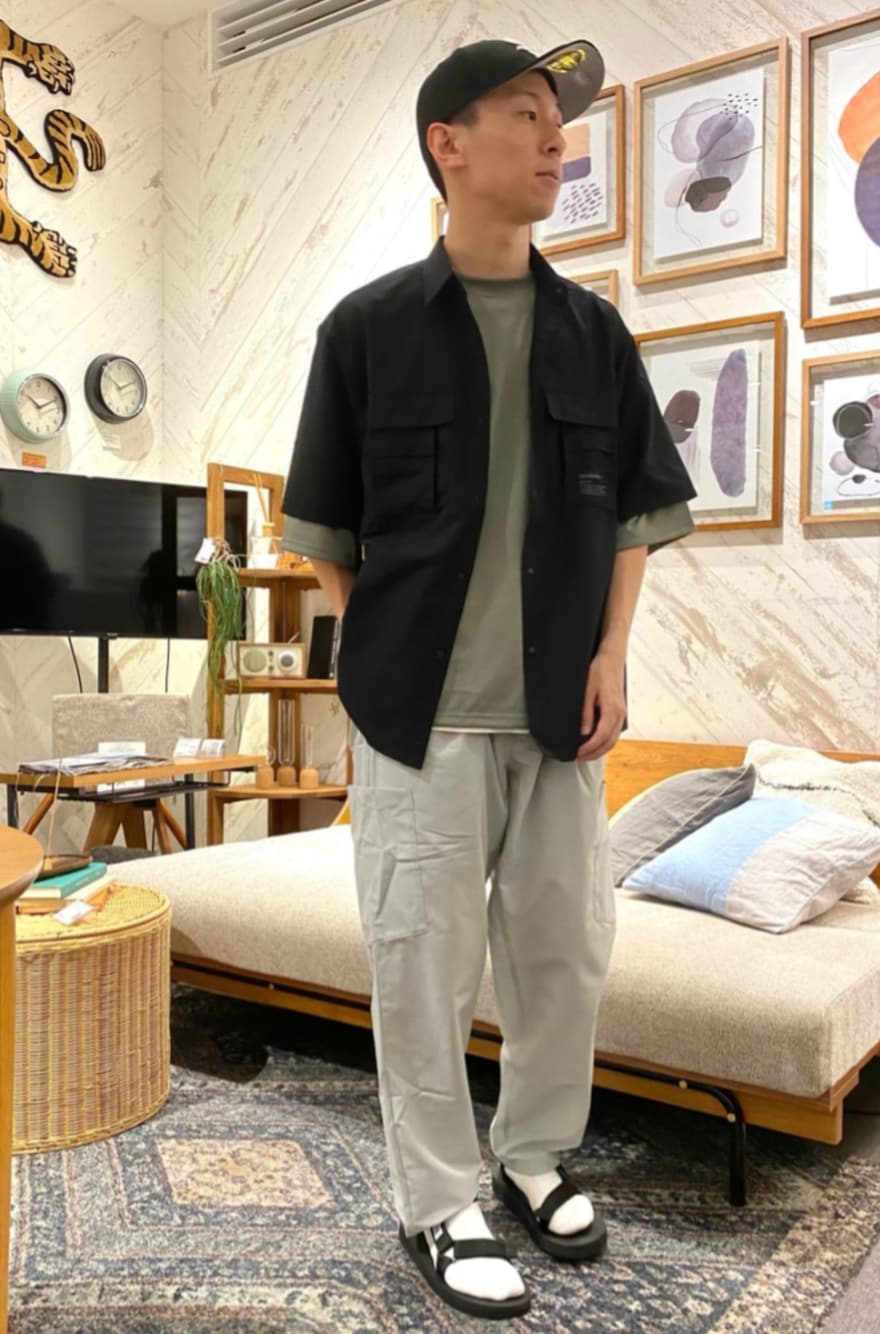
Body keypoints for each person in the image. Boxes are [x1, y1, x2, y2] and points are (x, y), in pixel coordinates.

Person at [281, 37, 695, 1320]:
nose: (556, 136)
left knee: (564, 952)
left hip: (560, 713)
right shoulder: (364, 332)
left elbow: (635, 518)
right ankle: (437, 1198)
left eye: (558, 117)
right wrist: (374, 650)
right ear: (447, 143)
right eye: (525, 112)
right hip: (419, 720)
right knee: (422, 964)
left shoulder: (595, 334)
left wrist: (612, 653)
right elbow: (325, 534)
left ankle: (531, 1156)